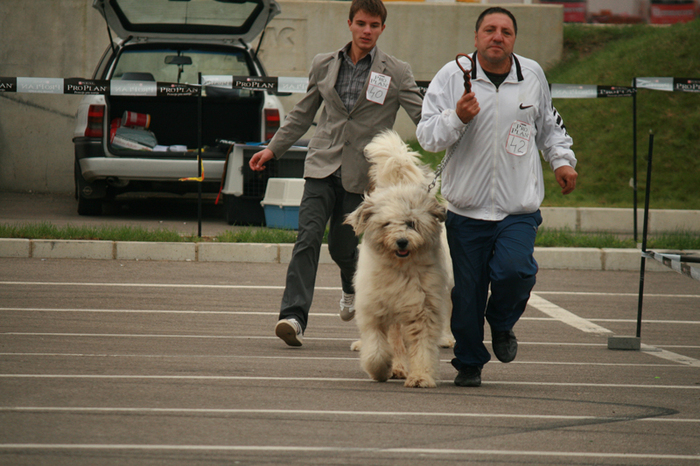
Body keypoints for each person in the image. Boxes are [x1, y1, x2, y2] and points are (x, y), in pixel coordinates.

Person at [416, 7, 578, 386]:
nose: (497, 36)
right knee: (468, 296)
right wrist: (457, 117)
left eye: (505, 31)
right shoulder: (452, 76)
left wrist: (562, 162)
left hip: (516, 208)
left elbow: (549, 127)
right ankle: (470, 362)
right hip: (466, 210)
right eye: (489, 30)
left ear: (513, 40)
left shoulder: (532, 75)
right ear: (475, 38)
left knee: (516, 272)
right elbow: (426, 135)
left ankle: (502, 322)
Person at [249, 0, 423, 347]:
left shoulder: (397, 72)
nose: (367, 31)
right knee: (308, 237)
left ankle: (349, 286)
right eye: (361, 23)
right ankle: (293, 316)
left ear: (382, 29)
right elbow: (303, 112)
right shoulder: (324, 64)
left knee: (344, 250)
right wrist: (272, 149)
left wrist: (453, 135)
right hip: (320, 165)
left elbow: (424, 118)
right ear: (350, 24)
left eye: (374, 25)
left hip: (363, 176)